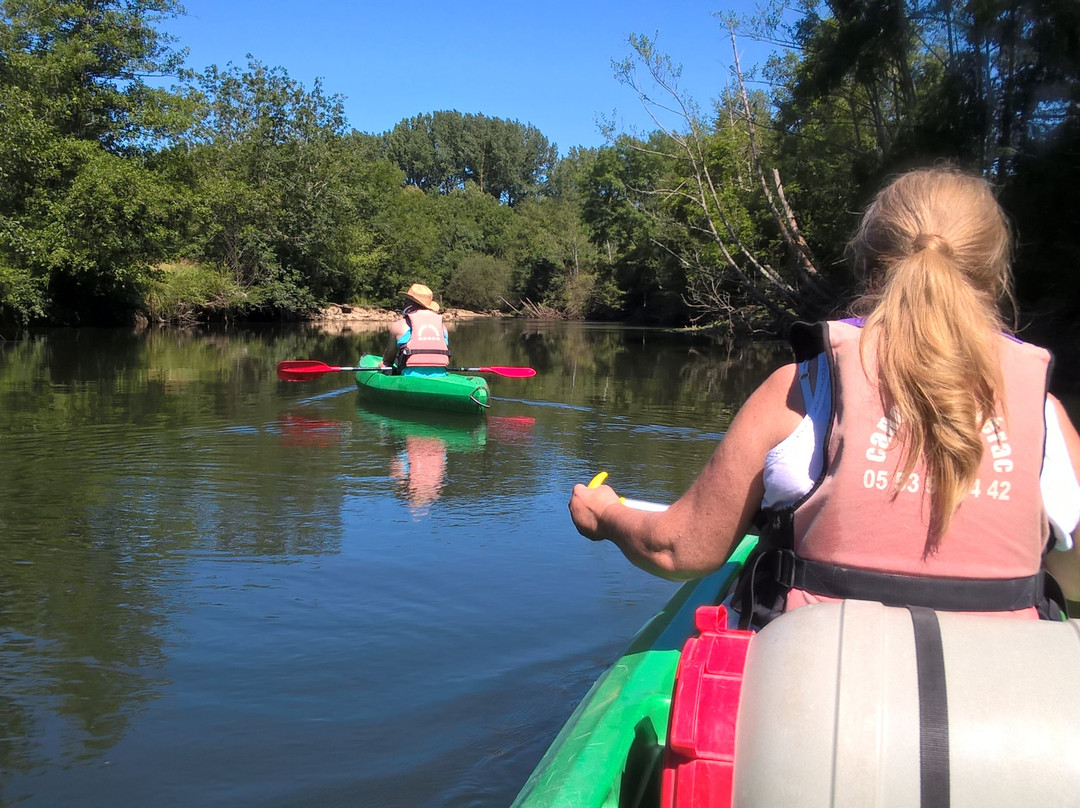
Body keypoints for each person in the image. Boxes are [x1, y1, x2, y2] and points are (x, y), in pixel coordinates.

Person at [569, 167, 1080, 624]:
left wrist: (606, 515)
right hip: (998, 718)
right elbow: (1074, 579)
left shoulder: (801, 390)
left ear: (868, 265)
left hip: (818, 710)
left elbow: (680, 549)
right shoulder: (1043, 415)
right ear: (994, 276)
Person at [383, 283, 451, 373]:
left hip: (409, 376)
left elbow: (388, 360)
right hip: (441, 374)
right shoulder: (443, 328)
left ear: (410, 303)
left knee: (384, 365)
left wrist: (385, 364)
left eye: (406, 301)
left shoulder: (399, 326)